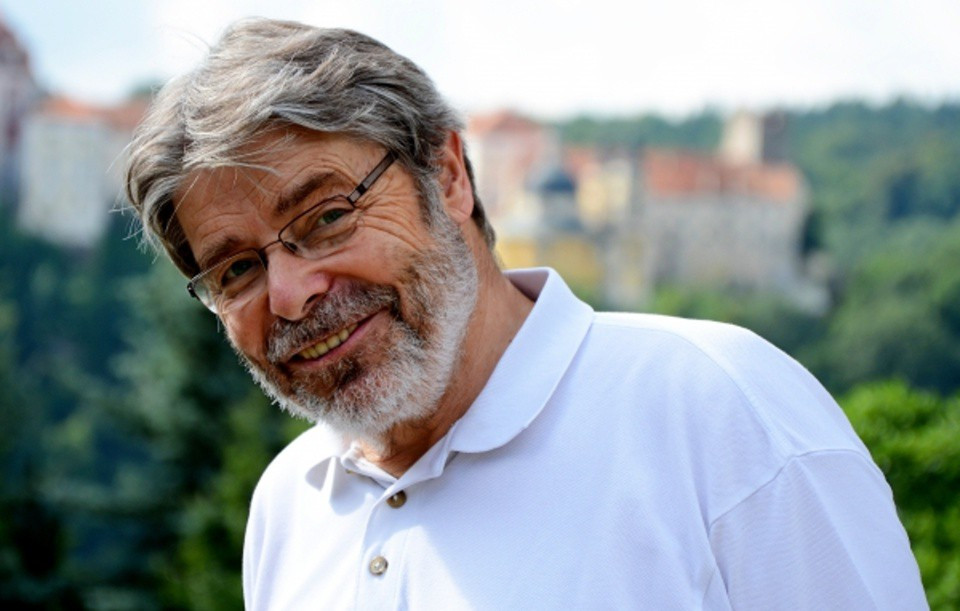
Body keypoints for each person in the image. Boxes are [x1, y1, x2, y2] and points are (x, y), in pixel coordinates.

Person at [125, 17, 928, 610]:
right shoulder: (288, 507)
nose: (292, 292)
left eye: (328, 215)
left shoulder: (720, 410)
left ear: (447, 175)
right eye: (236, 269)